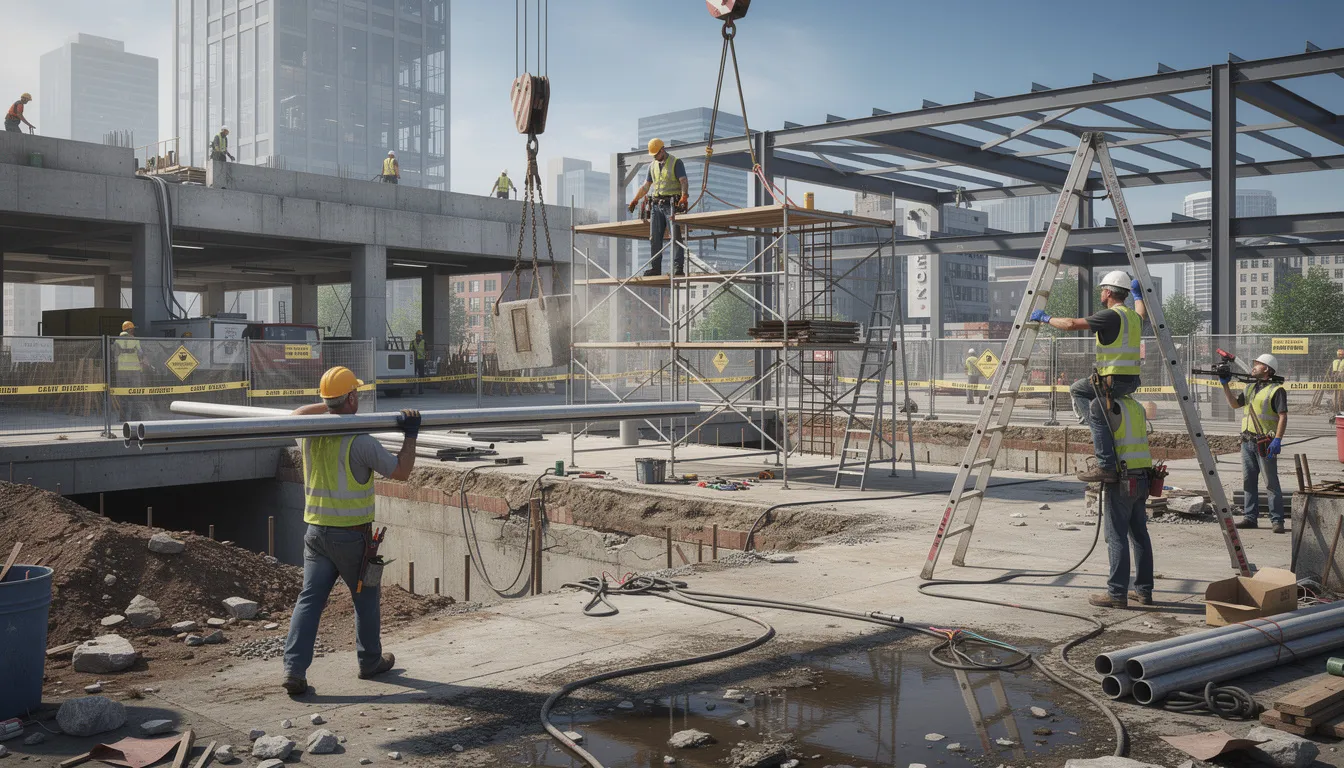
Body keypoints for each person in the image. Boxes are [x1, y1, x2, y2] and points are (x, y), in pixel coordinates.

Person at [281, 366, 421, 695]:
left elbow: (298, 413)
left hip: (316, 534)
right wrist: (410, 434)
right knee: (366, 599)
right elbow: (401, 472)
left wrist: (330, 406)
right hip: (352, 537)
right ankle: (369, 661)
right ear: (353, 397)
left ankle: (293, 670)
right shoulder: (361, 441)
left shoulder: (307, 433)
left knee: (310, 600)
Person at [1030, 270, 1147, 483]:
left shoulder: (1111, 315)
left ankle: (1105, 462)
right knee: (1093, 401)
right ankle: (1101, 426)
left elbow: (1071, 324)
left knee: (1078, 390)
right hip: (1131, 382)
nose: (1101, 294)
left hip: (1113, 381)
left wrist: (1046, 318)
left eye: (1103, 290)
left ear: (1109, 292)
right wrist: (1139, 297)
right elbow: (1141, 314)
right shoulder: (1132, 317)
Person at [1088, 395, 1154, 609]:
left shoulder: (1108, 406)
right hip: (1142, 475)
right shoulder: (1135, 406)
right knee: (1140, 535)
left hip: (1122, 478)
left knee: (1116, 536)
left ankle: (1117, 593)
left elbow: (1079, 392)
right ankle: (1144, 591)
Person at [1220, 353, 1288, 533]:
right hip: (1247, 441)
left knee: (1271, 483)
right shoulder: (1250, 388)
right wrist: (1225, 385)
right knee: (1248, 481)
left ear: (1266, 369)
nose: (1253, 367)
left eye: (1257, 364)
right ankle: (1250, 518)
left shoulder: (1276, 390)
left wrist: (1278, 439)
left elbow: (1283, 416)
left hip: (1266, 443)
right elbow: (1235, 404)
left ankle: (1277, 520)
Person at [626, 138, 689, 277]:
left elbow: (683, 181)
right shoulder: (652, 166)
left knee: (676, 237)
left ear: (662, 149)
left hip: (671, 205)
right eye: (653, 154)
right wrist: (635, 200)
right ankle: (655, 267)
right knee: (654, 238)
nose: (654, 156)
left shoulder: (676, 162)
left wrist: (684, 196)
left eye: (656, 154)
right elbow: (646, 186)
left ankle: (678, 268)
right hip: (656, 205)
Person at [113, 321, 146, 422]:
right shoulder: (136, 341)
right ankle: (135, 418)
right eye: (133, 329)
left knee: (123, 396)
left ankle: (123, 418)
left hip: (122, 371)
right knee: (136, 394)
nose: (134, 330)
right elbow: (140, 354)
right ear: (130, 329)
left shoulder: (117, 342)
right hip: (134, 371)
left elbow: (115, 357)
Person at [410, 330, 427, 395]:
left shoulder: (424, 342)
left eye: (420, 336)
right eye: (418, 336)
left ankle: (421, 390)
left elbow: (426, 351)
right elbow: (410, 351)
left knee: (421, 376)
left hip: (421, 360)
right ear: (416, 336)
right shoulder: (412, 342)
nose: (419, 337)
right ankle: (412, 389)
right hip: (414, 361)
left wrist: (426, 357)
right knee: (413, 375)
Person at [1332, 349, 1344, 420]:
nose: (1341, 356)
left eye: (1342, 355)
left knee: (1339, 397)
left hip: (1340, 382)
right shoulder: (1335, 361)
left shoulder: (1338, 362)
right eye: (1340, 355)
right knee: (1337, 397)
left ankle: (1339, 411)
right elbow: (1334, 372)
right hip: (1338, 381)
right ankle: (1337, 411)